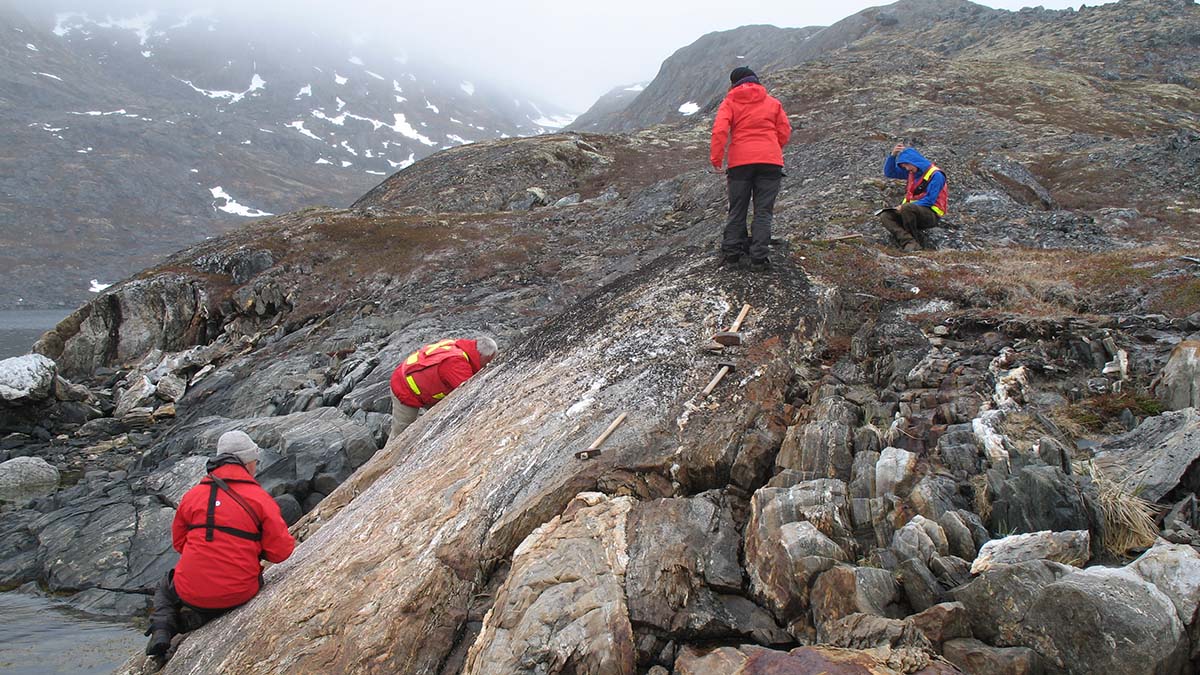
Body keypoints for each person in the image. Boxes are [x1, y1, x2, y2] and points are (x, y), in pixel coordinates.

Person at [145, 431, 295, 660]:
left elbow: (179, 544)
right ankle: (195, 617)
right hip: (239, 591)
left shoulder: (193, 496)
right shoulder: (259, 498)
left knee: (166, 584)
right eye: (255, 460)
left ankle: (162, 631)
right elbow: (281, 552)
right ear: (246, 462)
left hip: (192, 593)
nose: (256, 465)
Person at [710, 66, 792, 271]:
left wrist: (716, 159)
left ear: (733, 83)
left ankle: (732, 255)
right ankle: (758, 258)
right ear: (756, 80)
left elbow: (720, 130)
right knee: (763, 211)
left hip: (740, 164)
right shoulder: (772, 102)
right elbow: (784, 131)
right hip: (770, 163)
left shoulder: (729, 102)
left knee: (737, 210)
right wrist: (772, 149)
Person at [389, 336, 498, 438]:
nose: (488, 365)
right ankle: (386, 456)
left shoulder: (456, 346)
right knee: (401, 433)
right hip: (404, 389)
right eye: (489, 361)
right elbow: (471, 393)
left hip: (418, 382)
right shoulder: (457, 365)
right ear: (485, 357)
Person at [880, 144, 949, 251]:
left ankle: (915, 243)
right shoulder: (911, 172)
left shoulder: (936, 175)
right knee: (885, 215)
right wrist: (893, 155)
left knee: (907, 208)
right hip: (910, 212)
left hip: (930, 215)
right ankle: (908, 241)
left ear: (915, 161)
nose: (907, 169)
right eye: (904, 167)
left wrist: (905, 207)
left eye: (907, 165)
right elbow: (889, 172)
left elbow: (930, 199)